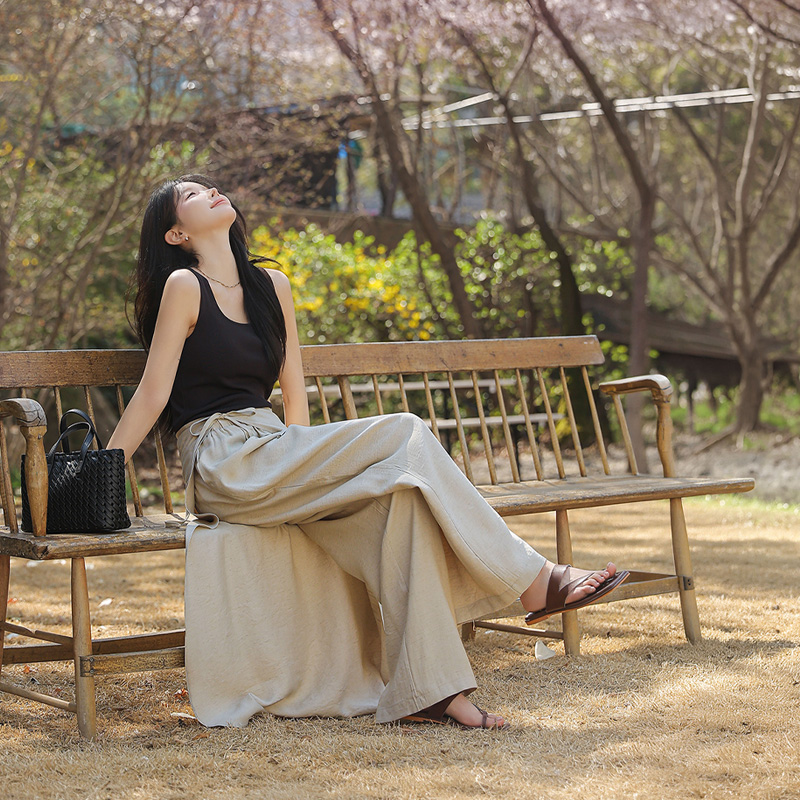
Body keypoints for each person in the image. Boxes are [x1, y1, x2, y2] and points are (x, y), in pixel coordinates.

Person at [108, 174, 629, 731]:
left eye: (209, 186)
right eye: (191, 195)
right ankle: (534, 579)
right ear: (176, 234)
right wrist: (104, 471)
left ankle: (432, 692)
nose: (211, 191)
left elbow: (293, 395)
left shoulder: (271, 285)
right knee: (405, 430)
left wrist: (303, 470)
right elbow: (154, 393)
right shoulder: (184, 286)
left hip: (278, 452)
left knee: (402, 508)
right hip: (226, 460)